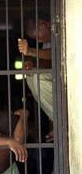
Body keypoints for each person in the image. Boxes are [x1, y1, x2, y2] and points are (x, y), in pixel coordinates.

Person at [18, 14, 54, 142]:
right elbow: (49, 62)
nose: (39, 40)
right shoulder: (47, 41)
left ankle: (59, 118)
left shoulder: (60, 30)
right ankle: (56, 119)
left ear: (43, 24)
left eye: (38, 36)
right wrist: (33, 64)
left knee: (39, 79)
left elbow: (57, 53)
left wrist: (31, 51)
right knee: (31, 75)